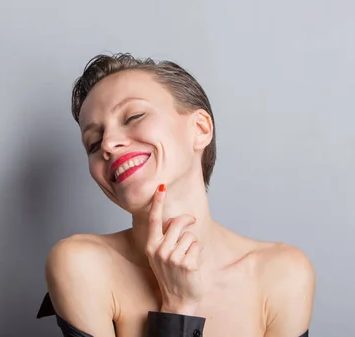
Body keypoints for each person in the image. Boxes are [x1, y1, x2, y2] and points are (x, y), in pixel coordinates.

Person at [36, 53, 315, 337]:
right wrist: (178, 308)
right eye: (93, 144)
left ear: (200, 129)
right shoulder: (82, 264)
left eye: (133, 116)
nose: (107, 144)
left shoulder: (283, 273)